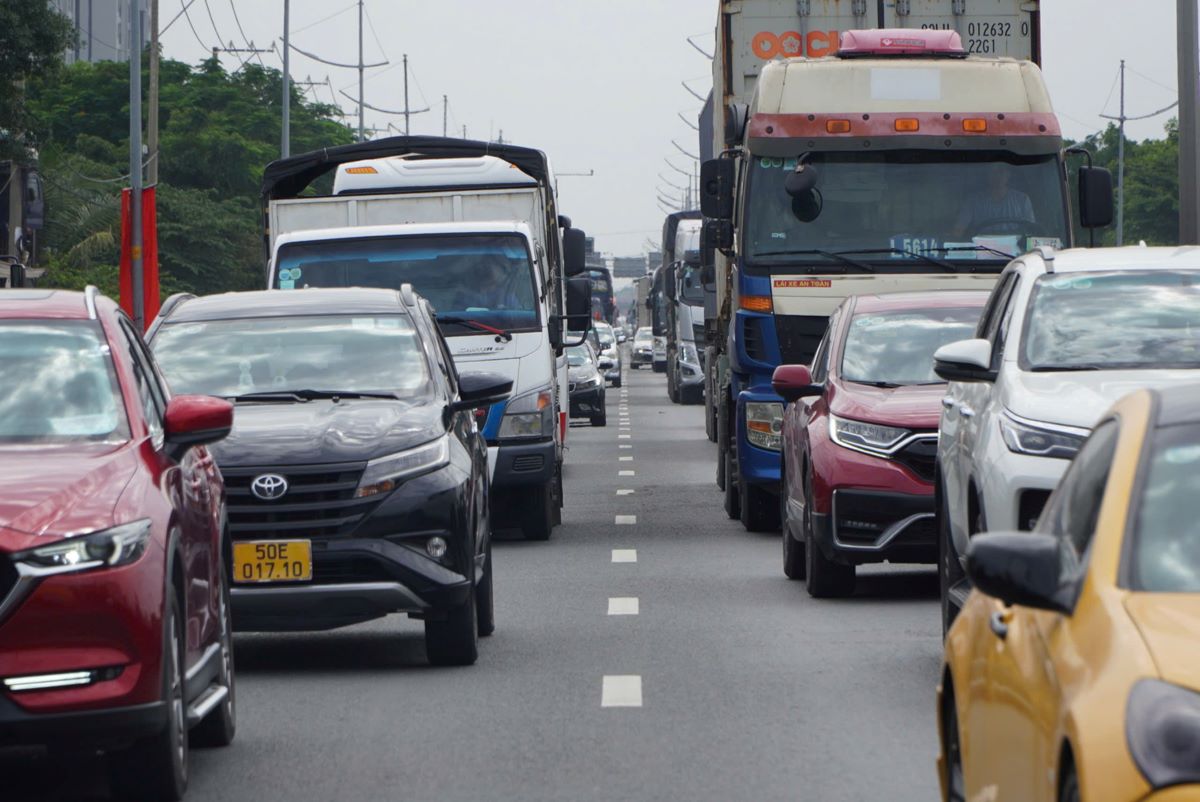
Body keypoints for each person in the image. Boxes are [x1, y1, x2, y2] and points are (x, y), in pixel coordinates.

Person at [952, 163, 1036, 238]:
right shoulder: (973, 201)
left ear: (1008, 174)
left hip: (1016, 252)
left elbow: (1031, 232)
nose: (997, 176)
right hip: (982, 249)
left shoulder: (1022, 199)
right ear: (987, 175)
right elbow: (958, 230)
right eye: (993, 172)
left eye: (1001, 171)